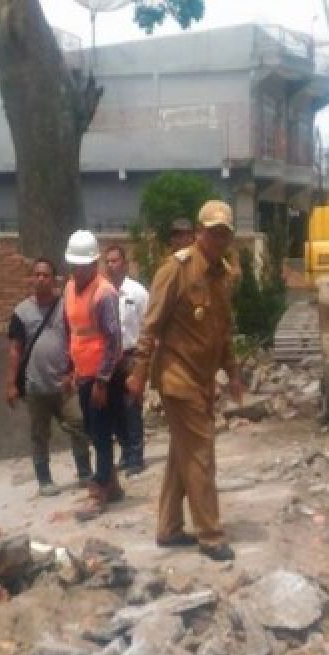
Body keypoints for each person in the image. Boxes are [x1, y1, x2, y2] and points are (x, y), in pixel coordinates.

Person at [126, 200, 244, 561]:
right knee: (201, 452)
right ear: (199, 233)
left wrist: (234, 373)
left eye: (224, 233)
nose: (218, 239)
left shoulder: (223, 277)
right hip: (177, 376)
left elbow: (223, 333)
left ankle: (169, 527)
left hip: (203, 379)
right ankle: (210, 535)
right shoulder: (174, 270)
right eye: (212, 232)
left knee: (183, 454)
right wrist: (138, 373)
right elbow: (151, 326)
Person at [6, 257, 92, 496]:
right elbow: (15, 349)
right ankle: (44, 479)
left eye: (46, 275)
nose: (41, 279)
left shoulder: (66, 307)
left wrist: (74, 371)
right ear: (31, 278)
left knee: (78, 424)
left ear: (55, 279)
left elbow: (77, 340)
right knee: (39, 434)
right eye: (37, 275)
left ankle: (85, 472)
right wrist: (11, 384)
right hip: (36, 386)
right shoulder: (21, 312)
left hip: (64, 385)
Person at [63, 230, 124, 520]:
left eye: (83, 265)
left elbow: (113, 341)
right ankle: (111, 483)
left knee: (100, 432)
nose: (78, 270)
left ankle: (99, 489)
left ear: (94, 263)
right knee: (92, 429)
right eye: (75, 265)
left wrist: (102, 380)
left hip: (102, 376)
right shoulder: (70, 288)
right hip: (84, 373)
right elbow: (74, 333)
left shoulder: (104, 294)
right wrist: (72, 369)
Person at [104, 244, 150, 474]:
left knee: (132, 406)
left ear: (125, 263)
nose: (112, 265)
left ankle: (136, 457)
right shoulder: (103, 292)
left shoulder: (138, 293)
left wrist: (145, 361)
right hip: (109, 358)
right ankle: (124, 450)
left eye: (115, 261)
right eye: (108, 261)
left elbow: (149, 326)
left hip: (132, 356)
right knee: (113, 407)